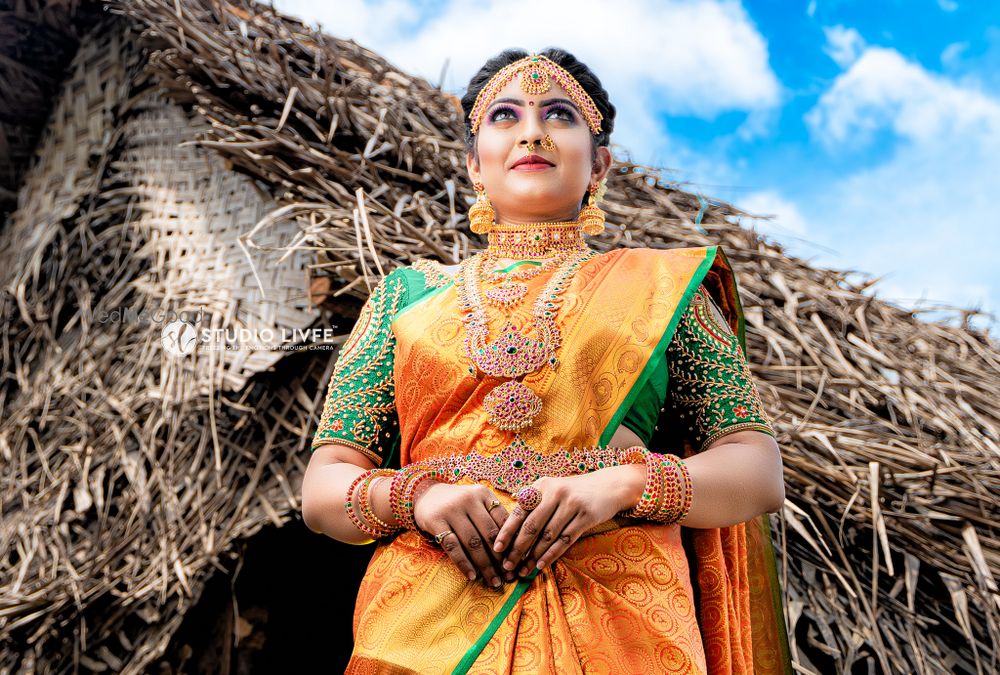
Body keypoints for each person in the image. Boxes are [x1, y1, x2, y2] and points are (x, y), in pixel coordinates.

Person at [301, 47, 793, 674]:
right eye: (505, 116)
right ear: (475, 164)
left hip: (623, 619)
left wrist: (619, 486)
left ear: (600, 163)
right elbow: (323, 488)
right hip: (423, 621)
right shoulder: (405, 296)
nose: (532, 130)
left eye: (559, 114)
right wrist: (415, 498)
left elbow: (756, 471)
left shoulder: (666, 289)